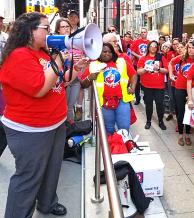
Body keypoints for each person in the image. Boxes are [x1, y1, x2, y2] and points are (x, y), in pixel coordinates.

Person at [0, 12, 89, 217]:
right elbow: (40, 88)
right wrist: (58, 59)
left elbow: (59, 81)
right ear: (29, 31)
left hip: (54, 125)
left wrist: (76, 69)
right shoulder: (18, 56)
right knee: (28, 179)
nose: (50, 32)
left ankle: (47, 203)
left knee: (51, 170)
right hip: (30, 130)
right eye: (45, 28)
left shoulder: (43, 53)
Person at [81, 43, 136, 134]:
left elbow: (133, 74)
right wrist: (90, 77)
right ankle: (112, 146)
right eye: (104, 51)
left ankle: (123, 146)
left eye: (110, 52)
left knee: (124, 128)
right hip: (104, 102)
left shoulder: (121, 62)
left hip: (122, 100)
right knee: (108, 129)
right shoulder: (93, 65)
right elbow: (83, 85)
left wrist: (133, 87)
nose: (107, 54)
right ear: (99, 52)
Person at [169, 41, 194, 146]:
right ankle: (181, 135)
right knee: (181, 112)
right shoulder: (182, 58)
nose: (190, 50)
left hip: (193, 89)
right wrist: (171, 75)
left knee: (190, 111)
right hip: (180, 87)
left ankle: (188, 135)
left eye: (193, 48)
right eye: (189, 47)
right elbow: (171, 63)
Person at [137, 40, 169, 130]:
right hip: (147, 86)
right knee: (148, 104)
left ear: (157, 48)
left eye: (155, 46)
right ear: (148, 47)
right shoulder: (143, 58)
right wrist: (145, 69)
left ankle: (160, 121)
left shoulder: (161, 57)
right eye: (151, 46)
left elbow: (166, 70)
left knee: (160, 104)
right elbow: (138, 72)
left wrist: (158, 69)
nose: (153, 48)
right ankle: (148, 121)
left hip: (159, 86)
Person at [131, 28, 149, 105]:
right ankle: (137, 98)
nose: (143, 33)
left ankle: (145, 98)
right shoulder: (136, 41)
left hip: (146, 66)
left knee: (145, 82)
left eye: (144, 32)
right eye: (142, 32)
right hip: (136, 64)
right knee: (137, 83)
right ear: (140, 34)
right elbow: (132, 51)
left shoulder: (149, 42)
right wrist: (138, 56)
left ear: (147, 33)